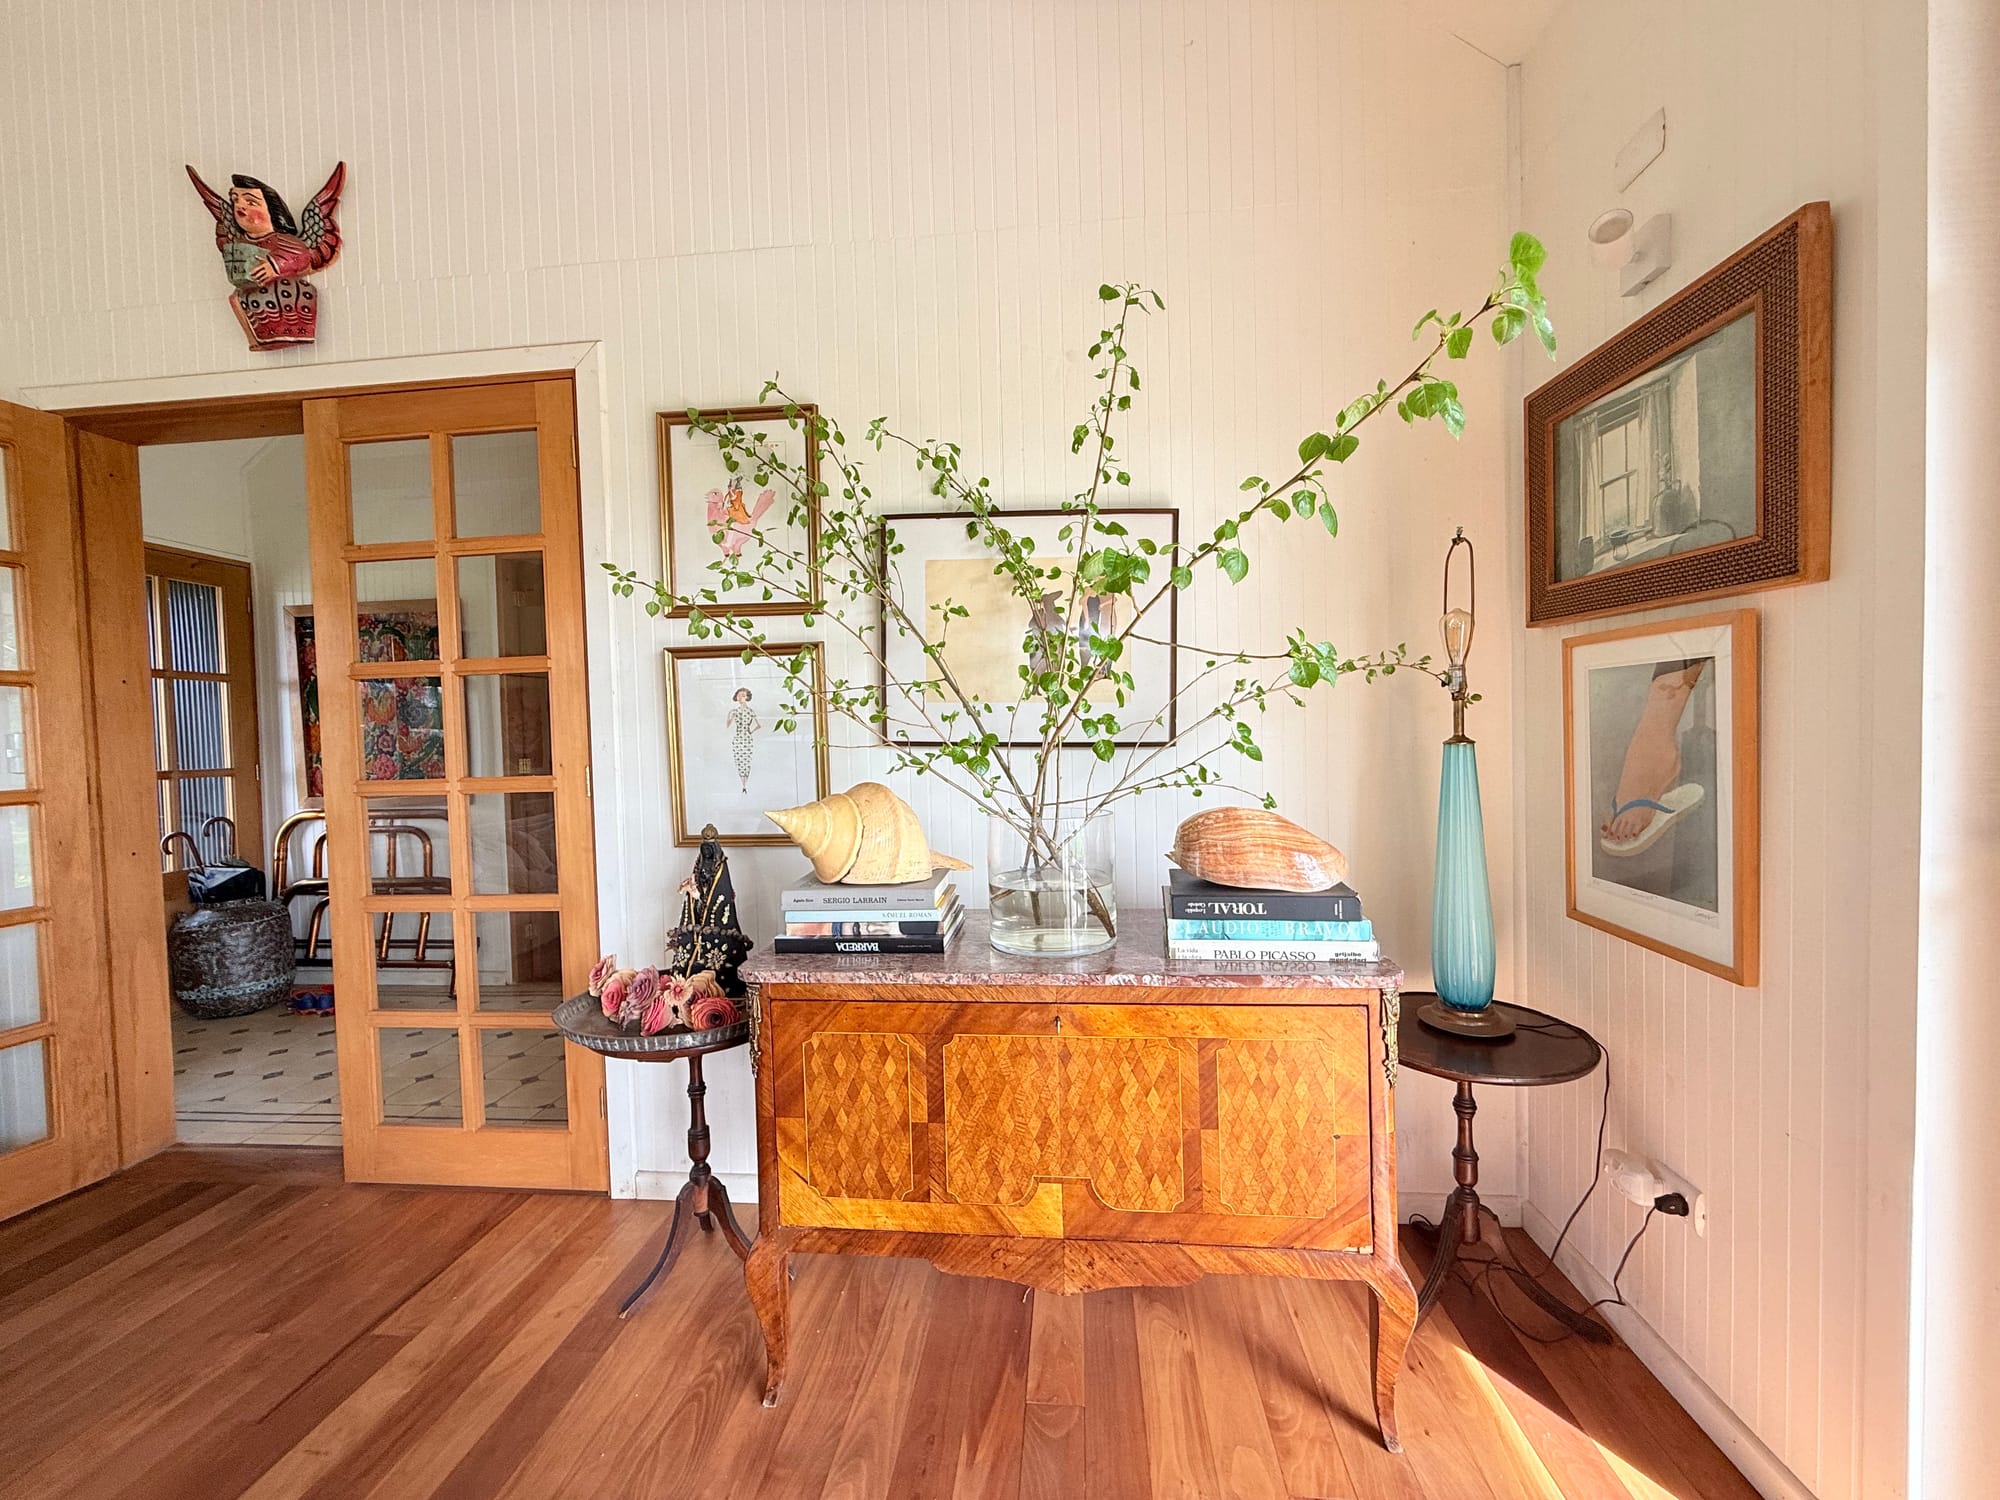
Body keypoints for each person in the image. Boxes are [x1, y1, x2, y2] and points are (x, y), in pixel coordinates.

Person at [725, 688, 761, 793]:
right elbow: (728, 725)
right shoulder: (734, 711)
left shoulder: (750, 711)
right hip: (738, 738)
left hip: (746, 738)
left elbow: (758, 725)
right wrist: (731, 716)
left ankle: (745, 786)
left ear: (747, 697)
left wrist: (750, 732)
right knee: (739, 761)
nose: (741, 698)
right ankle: (743, 786)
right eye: (739, 695)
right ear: (736, 697)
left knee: (746, 761)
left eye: (743, 696)